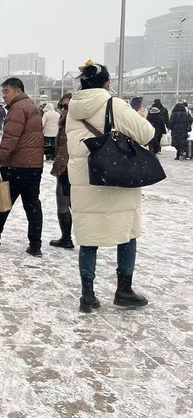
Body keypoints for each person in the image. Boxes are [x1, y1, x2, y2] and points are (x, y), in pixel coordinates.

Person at [65, 61, 155, 312]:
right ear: (106, 84)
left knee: (88, 237)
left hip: (85, 180)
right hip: (116, 176)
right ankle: (123, 289)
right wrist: (138, 118)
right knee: (126, 232)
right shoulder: (114, 104)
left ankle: (88, 295)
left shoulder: (73, 109)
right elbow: (146, 134)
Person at [0, 77, 44, 256]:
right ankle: (35, 244)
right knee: (33, 205)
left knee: (3, 201)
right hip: (34, 165)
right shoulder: (32, 107)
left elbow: (10, 139)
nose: (4, 96)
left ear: (18, 91)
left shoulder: (17, 109)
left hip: (17, 165)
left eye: (7, 92)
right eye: (3, 92)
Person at [49, 93, 74, 249]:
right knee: (66, 203)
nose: (64, 109)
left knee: (65, 203)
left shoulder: (72, 124)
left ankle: (67, 238)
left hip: (69, 168)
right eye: (61, 106)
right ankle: (66, 237)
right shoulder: (63, 122)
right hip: (65, 167)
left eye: (67, 106)